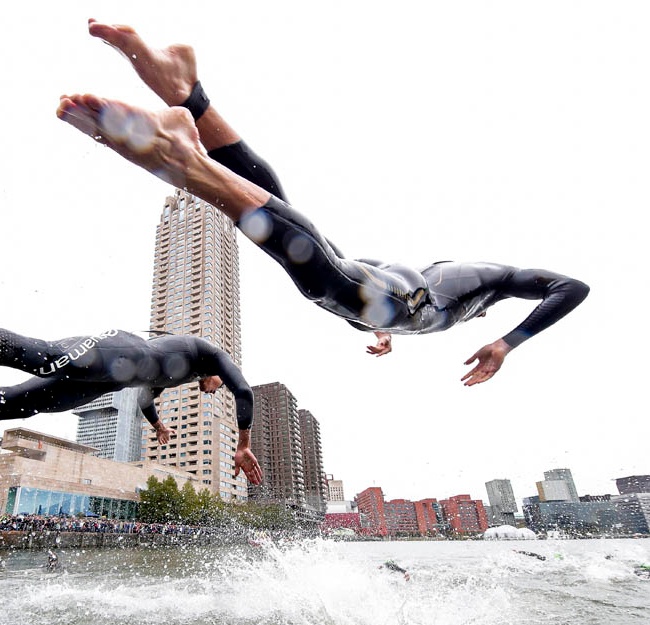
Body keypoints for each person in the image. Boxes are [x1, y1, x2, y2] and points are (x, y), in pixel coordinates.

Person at [56, 21, 590, 387]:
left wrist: (377, 328)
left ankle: (187, 92)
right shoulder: (491, 283)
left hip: (394, 290)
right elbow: (571, 288)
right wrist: (508, 343)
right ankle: (189, 162)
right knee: (322, 277)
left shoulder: (425, 282)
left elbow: (356, 269)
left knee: (302, 237)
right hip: (404, 299)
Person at [0, 327, 262, 484]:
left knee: (25, 404)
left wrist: (159, 427)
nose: (212, 392)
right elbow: (243, 390)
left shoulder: (179, 374)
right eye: (218, 389)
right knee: (46, 359)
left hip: (109, 381)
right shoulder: (212, 354)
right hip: (118, 351)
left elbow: (144, 399)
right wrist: (243, 444)